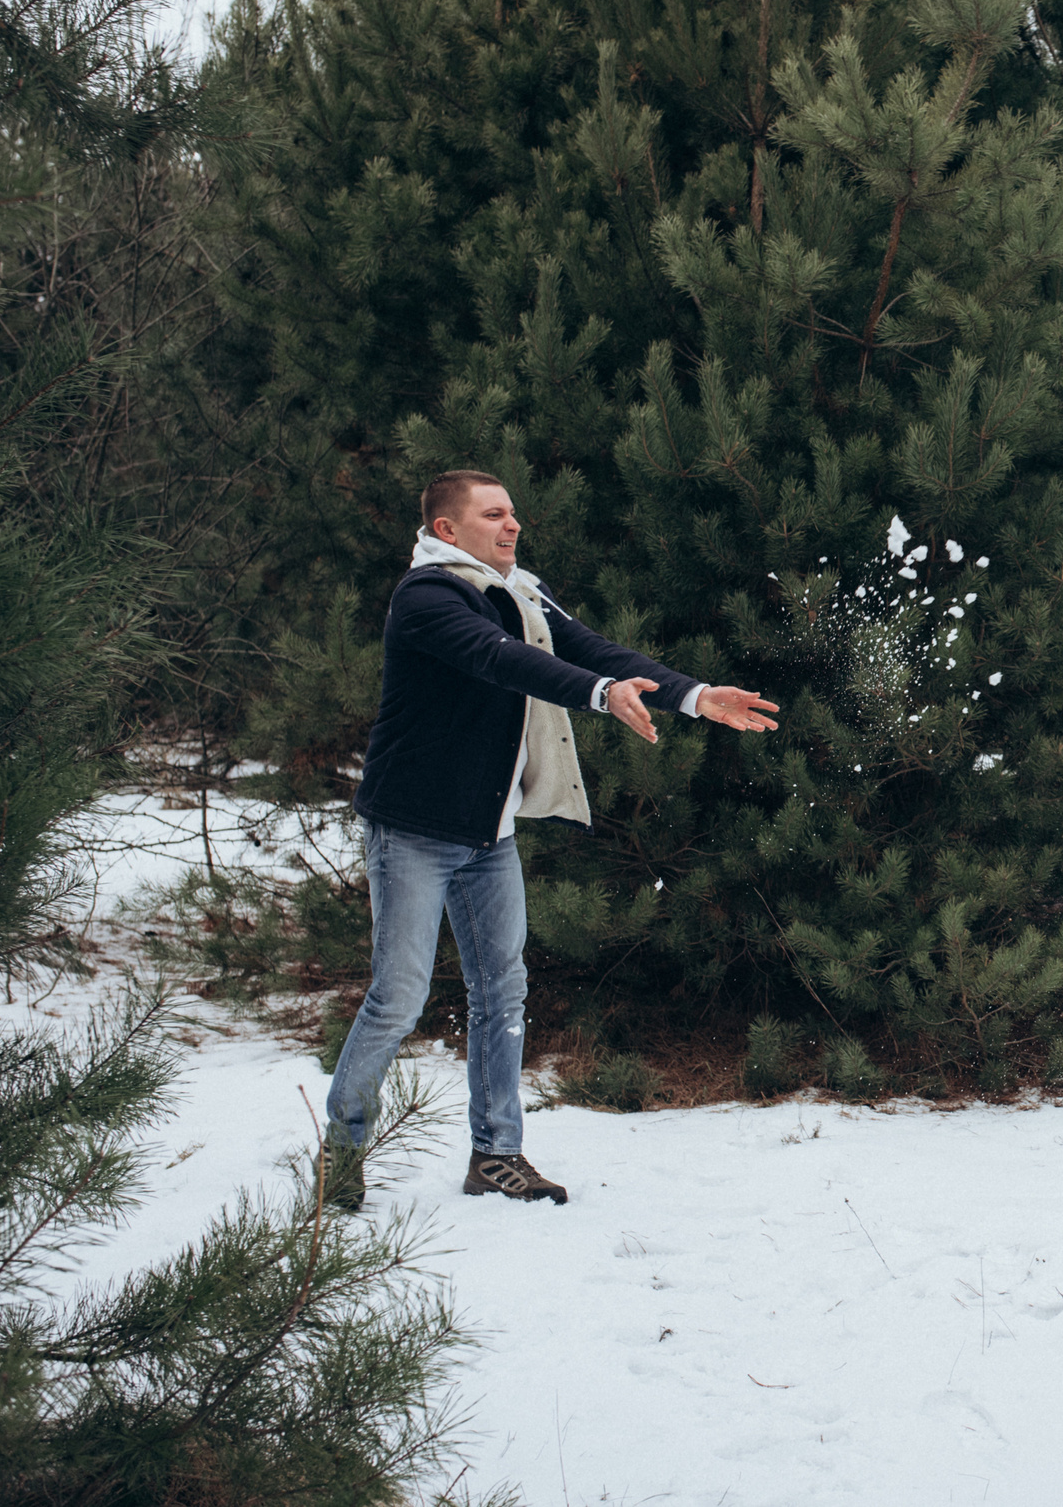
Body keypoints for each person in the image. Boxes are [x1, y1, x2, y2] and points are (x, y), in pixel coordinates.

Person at [324, 470, 780, 1208]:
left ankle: (497, 1154)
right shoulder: (428, 597)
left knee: (502, 988)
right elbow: (501, 658)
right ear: (448, 530)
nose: (512, 525)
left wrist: (694, 696)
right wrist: (601, 695)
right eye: (494, 514)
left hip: (487, 832)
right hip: (413, 830)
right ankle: (340, 1152)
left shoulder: (521, 595)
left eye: (514, 514)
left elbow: (588, 647)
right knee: (398, 996)